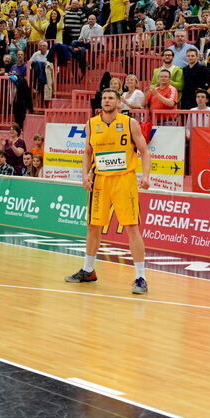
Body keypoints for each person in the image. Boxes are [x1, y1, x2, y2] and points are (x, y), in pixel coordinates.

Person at [66, 89, 151, 294]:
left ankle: (141, 277)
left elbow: (145, 151)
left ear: (118, 102)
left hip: (124, 180)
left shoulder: (130, 123)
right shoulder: (91, 124)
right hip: (100, 180)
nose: (107, 101)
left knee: (132, 227)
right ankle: (88, 270)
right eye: (104, 98)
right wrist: (85, 174)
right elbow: (87, 152)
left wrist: (146, 175)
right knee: (93, 226)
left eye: (111, 98)